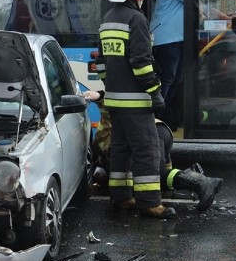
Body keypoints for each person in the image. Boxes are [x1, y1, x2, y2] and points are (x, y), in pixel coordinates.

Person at [93, 0, 174, 219]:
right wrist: (155, 92)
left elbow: (102, 65)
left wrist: (113, 86)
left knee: (121, 149)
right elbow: (141, 63)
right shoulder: (136, 20)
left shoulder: (107, 20)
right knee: (147, 150)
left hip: (116, 102)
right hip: (136, 103)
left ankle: (121, 197)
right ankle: (150, 202)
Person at [84, 89, 222, 213]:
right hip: (160, 130)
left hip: (145, 134)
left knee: (153, 173)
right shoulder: (107, 133)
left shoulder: (111, 148)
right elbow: (111, 103)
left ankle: (202, 182)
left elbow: (109, 101)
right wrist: (168, 187)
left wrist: (99, 95)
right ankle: (196, 178)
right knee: (157, 173)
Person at [150, 0, 185, 124]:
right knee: (168, 79)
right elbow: (195, 0)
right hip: (166, 40)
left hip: (175, 40)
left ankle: (162, 115)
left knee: (176, 78)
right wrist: (224, 17)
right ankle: (156, 116)